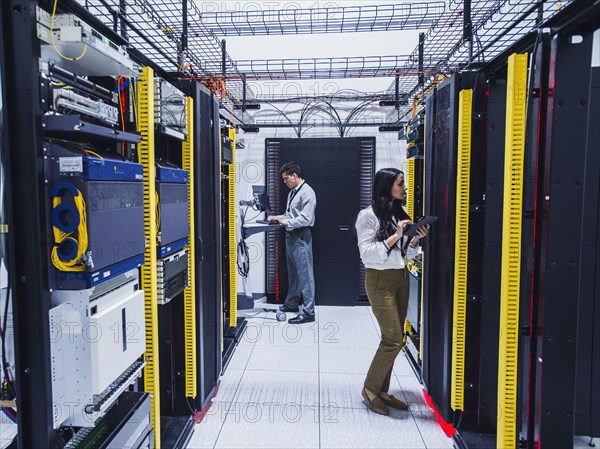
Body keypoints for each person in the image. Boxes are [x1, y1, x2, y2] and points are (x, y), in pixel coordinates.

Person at [355, 167, 430, 416]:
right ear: (386, 186)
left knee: (396, 340)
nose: (405, 187)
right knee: (393, 339)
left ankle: (383, 391)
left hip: (400, 278)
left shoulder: (396, 213)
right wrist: (396, 236)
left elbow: (402, 255)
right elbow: (367, 255)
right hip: (380, 281)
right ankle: (370, 390)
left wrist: (414, 240)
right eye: (400, 183)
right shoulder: (367, 216)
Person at [267, 162, 317, 324]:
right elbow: (290, 214)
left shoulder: (307, 193)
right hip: (291, 237)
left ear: (295, 176)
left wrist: (284, 222)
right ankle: (292, 303)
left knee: (305, 275)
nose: (284, 182)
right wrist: (279, 217)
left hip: (301, 237)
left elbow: (305, 219)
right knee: (294, 274)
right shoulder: (293, 193)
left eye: (286, 178)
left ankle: (309, 312)